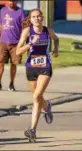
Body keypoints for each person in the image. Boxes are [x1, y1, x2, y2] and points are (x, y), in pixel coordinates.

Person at [16, 9, 59, 142]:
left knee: (36, 97)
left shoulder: (48, 31)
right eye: (34, 17)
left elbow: (56, 39)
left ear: (42, 18)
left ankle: (32, 130)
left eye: (39, 16)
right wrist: (30, 44)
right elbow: (18, 52)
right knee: (37, 97)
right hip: (31, 68)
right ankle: (46, 107)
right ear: (31, 19)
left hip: (45, 67)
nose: (37, 19)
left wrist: (56, 49)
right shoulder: (27, 32)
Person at [0, 0, 26, 91]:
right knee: (0, 62)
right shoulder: (3, 10)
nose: (12, 3)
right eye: (10, 1)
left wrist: (22, 41)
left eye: (13, 1)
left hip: (15, 43)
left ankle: (11, 84)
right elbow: (1, 24)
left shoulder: (21, 12)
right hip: (3, 42)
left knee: (14, 64)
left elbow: (24, 27)